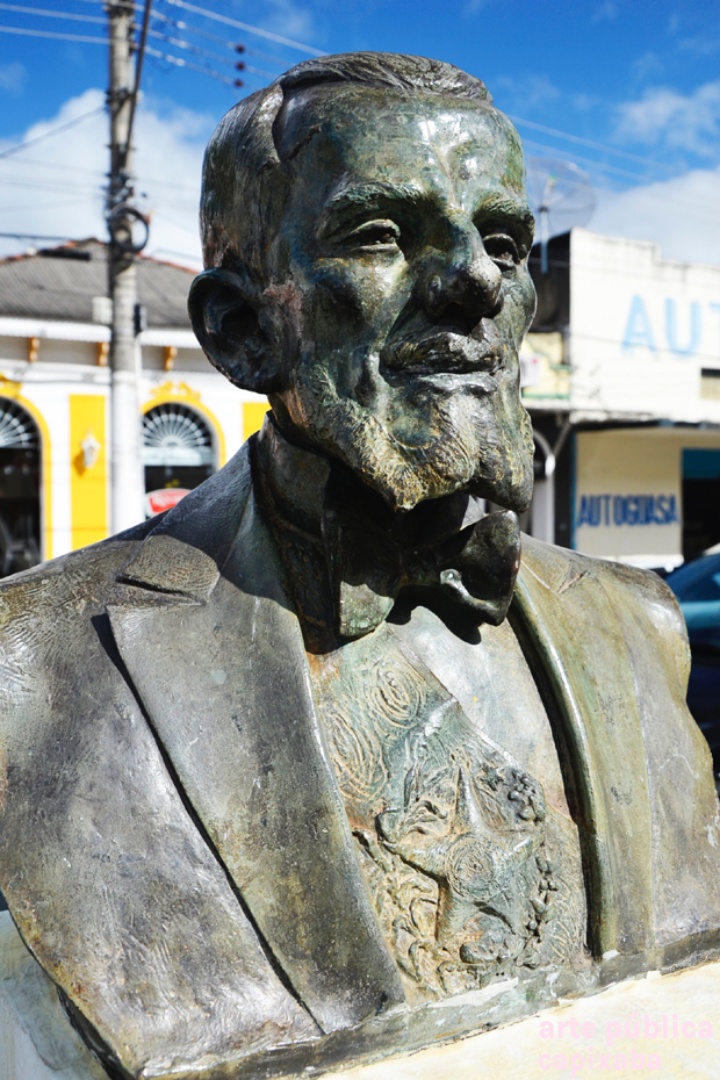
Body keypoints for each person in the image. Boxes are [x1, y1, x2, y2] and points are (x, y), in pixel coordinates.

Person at [1, 53, 719, 1080]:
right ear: (241, 329)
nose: (478, 280)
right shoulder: (30, 669)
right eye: (380, 233)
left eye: (504, 242)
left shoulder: (639, 626)